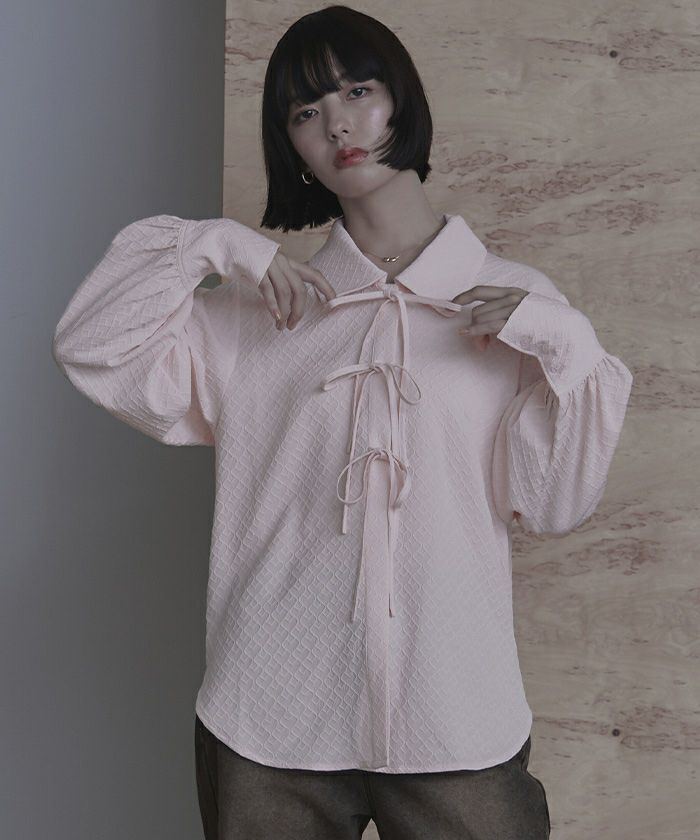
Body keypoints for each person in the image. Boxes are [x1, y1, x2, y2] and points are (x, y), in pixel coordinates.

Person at [52, 5, 633, 838]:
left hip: (454, 713)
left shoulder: (520, 303)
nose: (338, 124)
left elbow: (553, 504)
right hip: (268, 715)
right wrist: (215, 246)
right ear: (292, 145)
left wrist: (562, 338)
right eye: (306, 110)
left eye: (358, 91)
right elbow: (92, 344)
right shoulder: (256, 315)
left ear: (401, 100)